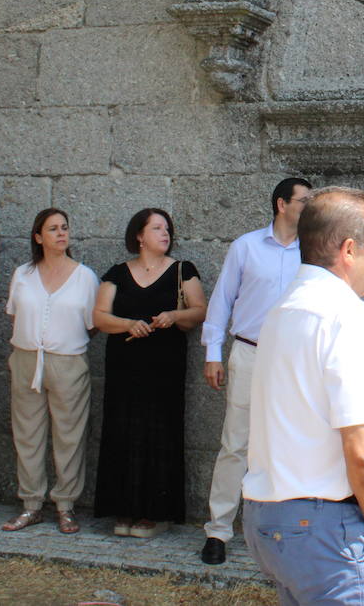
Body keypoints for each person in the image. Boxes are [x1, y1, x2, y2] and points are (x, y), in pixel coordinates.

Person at [244, 186, 364, 605]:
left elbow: (305, 423)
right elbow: (361, 447)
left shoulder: (282, 310)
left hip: (269, 516)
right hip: (323, 525)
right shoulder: (347, 316)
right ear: (348, 249)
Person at [199, 177, 311, 566]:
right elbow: (221, 301)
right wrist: (213, 353)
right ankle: (218, 529)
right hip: (249, 352)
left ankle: (277, 530)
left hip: (293, 361)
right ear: (282, 204)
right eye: (303, 200)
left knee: (288, 445)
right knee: (236, 444)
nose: (309, 206)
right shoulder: (245, 247)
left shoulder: (312, 252)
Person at [92, 208, 207, 538]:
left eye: (167, 228)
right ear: (139, 236)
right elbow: (100, 317)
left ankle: (156, 514)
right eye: (156, 228)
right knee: (123, 430)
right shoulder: (116, 272)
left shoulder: (183, 270)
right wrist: (129, 324)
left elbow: (200, 310)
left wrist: (173, 314)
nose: (165, 233)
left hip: (164, 367)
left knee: (161, 433)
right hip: (124, 366)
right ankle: (125, 510)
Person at [1, 208, 99, 535]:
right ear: (38, 236)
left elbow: (93, 323)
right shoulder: (23, 274)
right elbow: (15, 314)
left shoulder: (84, 276)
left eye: (65, 228)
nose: (61, 233)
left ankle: (66, 505)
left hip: (68, 361)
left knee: (69, 435)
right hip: (27, 358)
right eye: (53, 229)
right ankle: (31, 504)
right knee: (27, 434)